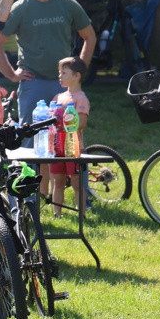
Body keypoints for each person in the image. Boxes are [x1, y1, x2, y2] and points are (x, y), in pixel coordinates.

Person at [0, 0, 96, 124]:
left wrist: (79, 72)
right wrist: (11, 74)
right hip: (33, 83)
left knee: (68, 133)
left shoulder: (67, 4)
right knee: (30, 139)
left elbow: (90, 37)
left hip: (64, 83)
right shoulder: (19, 9)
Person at [48, 57, 90, 216]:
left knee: (76, 183)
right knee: (57, 182)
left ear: (76, 76)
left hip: (73, 146)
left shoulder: (80, 98)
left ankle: (82, 214)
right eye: (60, 73)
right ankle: (57, 213)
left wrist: (65, 122)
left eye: (64, 73)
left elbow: (82, 122)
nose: (60, 76)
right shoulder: (58, 97)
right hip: (57, 146)